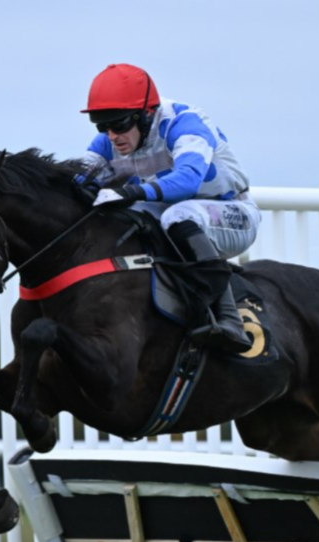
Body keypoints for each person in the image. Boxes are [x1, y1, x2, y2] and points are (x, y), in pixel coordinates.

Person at [74, 63, 261, 353]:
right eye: (103, 126)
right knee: (125, 215)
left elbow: (188, 179)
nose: (112, 135)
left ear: (146, 115)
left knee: (177, 213)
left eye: (119, 124)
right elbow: (78, 180)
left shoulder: (184, 122)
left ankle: (229, 318)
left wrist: (130, 191)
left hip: (232, 215)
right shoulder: (108, 141)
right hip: (177, 219)